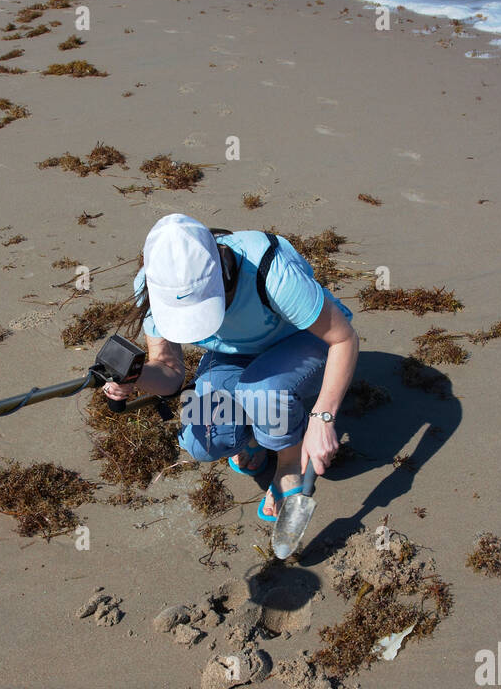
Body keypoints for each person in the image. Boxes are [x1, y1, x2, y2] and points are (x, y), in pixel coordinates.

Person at [104, 214, 359, 522]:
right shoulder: (151, 286)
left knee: (263, 393)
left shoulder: (270, 271)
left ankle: (289, 463)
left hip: (305, 341)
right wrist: (137, 375)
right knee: (203, 438)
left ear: (222, 273)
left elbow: (344, 339)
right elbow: (170, 373)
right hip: (236, 356)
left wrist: (323, 416)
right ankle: (257, 435)